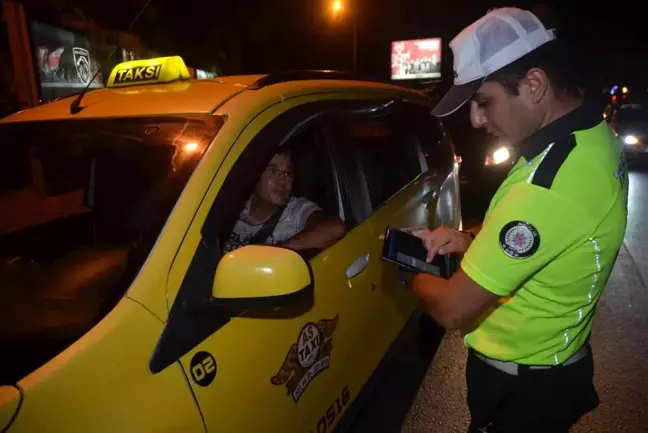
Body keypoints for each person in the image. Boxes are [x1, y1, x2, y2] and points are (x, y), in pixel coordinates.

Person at [402, 7, 628, 433]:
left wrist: (408, 269)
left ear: (534, 84)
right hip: (550, 365)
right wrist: (470, 239)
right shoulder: (587, 139)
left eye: (484, 102)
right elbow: (549, 238)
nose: (475, 120)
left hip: (526, 386)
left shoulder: (550, 184)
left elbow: (452, 309)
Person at [222, 147, 347, 254]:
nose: (282, 181)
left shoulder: (295, 211)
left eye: (287, 173)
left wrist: (279, 252)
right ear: (255, 175)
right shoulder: (233, 205)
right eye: (273, 171)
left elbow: (335, 228)